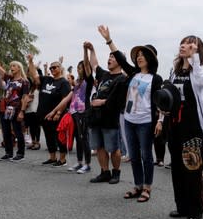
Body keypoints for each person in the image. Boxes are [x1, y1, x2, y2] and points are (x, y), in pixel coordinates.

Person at [98, 25, 163, 202]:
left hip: (145, 121)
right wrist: (108, 40)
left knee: (146, 156)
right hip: (129, 120)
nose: (139, 57)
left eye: (143, 55)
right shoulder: (133, 73)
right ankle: (137, 185)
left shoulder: (155, 79)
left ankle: (147, 187)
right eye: (138, 55)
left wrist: (160, 121)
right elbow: (120, 57)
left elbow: (161, 102)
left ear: (150, 58)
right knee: (134, 156)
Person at [164, 35, 203, 219]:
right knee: (176, 166)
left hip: (191, 125)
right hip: (174, 123)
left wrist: (195, 58)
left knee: (192, 166)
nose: (185, 46)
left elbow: (201, 82)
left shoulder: (200, 71)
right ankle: (181, 205)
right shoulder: (174, 72)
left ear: (198, 50)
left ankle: (196, 208)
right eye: (183, 43)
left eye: (191, 44)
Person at [84, 35, 127, 185]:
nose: (110, 59)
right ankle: (104, 172)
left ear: (120, 61)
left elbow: (119, 101)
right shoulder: (104, 74)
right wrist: (92, 50)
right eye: (109, 56)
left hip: (110, 118)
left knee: (113, 148)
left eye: (113, 57)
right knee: (99, 147)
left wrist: (101, 102)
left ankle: (116, 173)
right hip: (96, 118)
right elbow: (94, 64)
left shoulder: (122, 79)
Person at [46, 56, 94, 174]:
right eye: (78, 68)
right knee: (78, 138)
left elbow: (88, 67)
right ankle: (79, 162)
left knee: (84, 139)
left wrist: (85, 50)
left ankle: (87, 165)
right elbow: (67, 99)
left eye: (81, 68)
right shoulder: (77, 83)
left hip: (84, 113)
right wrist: (53, 111)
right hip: (74, 113)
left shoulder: (89, 81)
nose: (79, 70)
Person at [28, 55, 71, 166]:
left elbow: (64, 99)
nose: (52, 69)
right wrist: (31, 61)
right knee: (48, 136)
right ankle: (52, 157)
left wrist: (58, 113)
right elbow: (34, 76)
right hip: (44, 114)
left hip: (56, 115)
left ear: (60, 68)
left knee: (59, 137)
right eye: (51, 68)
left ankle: (62, 159)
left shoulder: (64, 82)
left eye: (55, 67)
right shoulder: (46, 79)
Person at [0, 43, 29, 161]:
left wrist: (22, 111)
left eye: (14, 66)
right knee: (6, 131)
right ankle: (8, 152)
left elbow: (25, 97)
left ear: (19, 68)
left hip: (16, 108)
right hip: (5, 108)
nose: (11, 67)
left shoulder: (24, 81)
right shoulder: (9, 78)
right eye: (11, 65)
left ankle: (20, 154)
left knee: (17, 131)